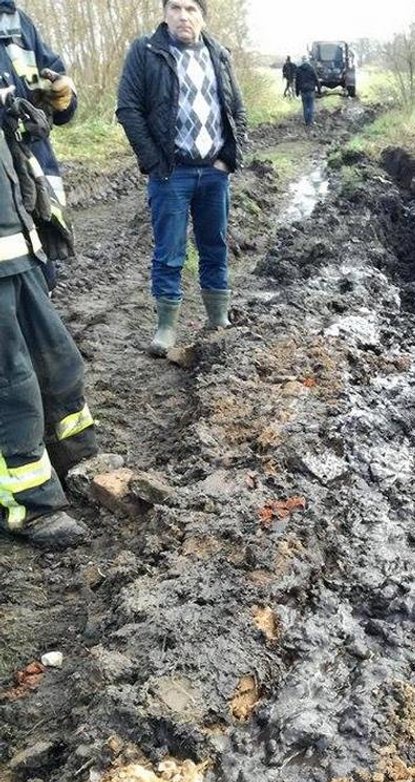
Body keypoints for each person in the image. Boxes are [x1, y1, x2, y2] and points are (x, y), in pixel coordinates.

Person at [116, 0, 247, 356]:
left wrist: (230, 159)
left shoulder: (218, 53)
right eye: (175, 7)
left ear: (203, 15)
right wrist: (154, 163)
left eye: (191, 8)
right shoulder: (146, 52)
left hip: (214, 173)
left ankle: (218, 318)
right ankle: (166, 327)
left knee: (215, 246)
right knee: (169, 252)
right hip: (171, 174)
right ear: (164, 13)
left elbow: (237, 109)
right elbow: (128, 109)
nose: (183, 15)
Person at [0, 85, 98, 548]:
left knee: (58, 361)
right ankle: (28, 506)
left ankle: (77, 459)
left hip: (16, 245)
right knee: (10, 384)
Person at [0, 0, 77, 290]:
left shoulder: (16, 21)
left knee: (43, 276)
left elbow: (54, 83)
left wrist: (61, 96)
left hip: (35, 172)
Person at [295, 56, 318, 128]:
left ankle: (306, 122)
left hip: (303, 90)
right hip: (311, 90)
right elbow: (316, 79)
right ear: (307, 61)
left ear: (302, 61)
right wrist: (319, 89)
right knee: (311, 106)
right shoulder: (311, 69)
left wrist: (297, 91)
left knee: (305, 106)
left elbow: (297, 82)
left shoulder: (298, 69)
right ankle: (310, 122)